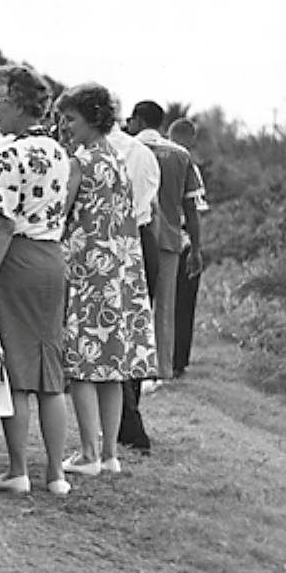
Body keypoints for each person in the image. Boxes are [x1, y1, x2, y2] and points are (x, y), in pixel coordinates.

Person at [0, 64, 72, 497]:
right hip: (52, 259)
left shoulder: (7, 154)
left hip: (18, 261)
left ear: (15, 103)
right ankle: (56, 473)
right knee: (50, 372)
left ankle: (18, 470)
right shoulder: (58, 152)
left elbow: (2, 225)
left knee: (14, 370)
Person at [55, 83, 157, 478]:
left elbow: (62, 213)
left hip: (87, 270)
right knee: (112, 367)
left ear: (92, 118)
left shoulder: (80, 161)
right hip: (120, 271)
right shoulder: (116, 158)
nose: (65, 125)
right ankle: (110, 453)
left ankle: (87, 453)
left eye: (71, 118)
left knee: (81, 367)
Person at [127, 101, 203, 381]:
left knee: (134, 302)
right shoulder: (181, 155)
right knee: (165, 307)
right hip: (170, 238)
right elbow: (191, 208)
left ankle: (132, 364)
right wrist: (196, 248)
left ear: (136, 121)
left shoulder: (127, 149)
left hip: (133, 235)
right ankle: (162, 368)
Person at [108, 103, 161, 453]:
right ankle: (129, 418)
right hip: (143, 240)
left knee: (112, 332)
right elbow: (150, 205)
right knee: (135, 332)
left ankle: (126, 423)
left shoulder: (94, 154)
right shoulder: (143, 152)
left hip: (113, 240)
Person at [168, 117, 209, 377]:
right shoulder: (186, 163)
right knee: (184, 305)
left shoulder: (150, 157)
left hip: (153, 239)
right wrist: (197, 248)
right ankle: (178, 361)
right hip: (181, 240)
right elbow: (192, 211)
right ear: (191, 139)